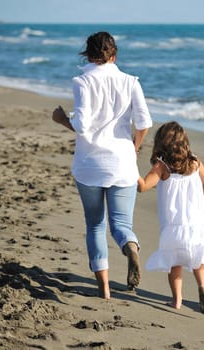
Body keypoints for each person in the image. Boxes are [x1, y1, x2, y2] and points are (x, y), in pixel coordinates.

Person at [52, 31, 152, 299]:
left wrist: (62, 119)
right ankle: (130, 246)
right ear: (114, 55)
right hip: (122, 163)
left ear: (88, 54)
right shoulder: (131, 82)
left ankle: (104, 289)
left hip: (90, 164)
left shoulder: (82, 81)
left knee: (95, 224)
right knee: (120, 224)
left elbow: (82, 125)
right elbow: (143, 123)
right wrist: (134, 148)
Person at [138, 121, 204, 314]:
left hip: (173, 228)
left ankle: (177, 300)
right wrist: (201, 194)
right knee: (199, 260)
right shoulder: (195, 162)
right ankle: (203, 289)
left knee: (175, 263)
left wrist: (129, 168)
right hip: (196, 226)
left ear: (161, 142)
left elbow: (143, 186)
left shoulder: (161, 167)